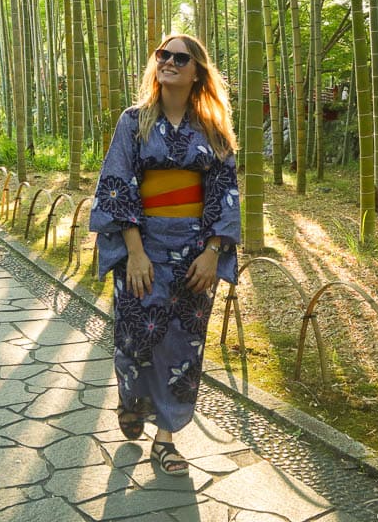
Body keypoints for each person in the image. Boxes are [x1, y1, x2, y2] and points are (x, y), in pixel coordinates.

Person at [90, 33, 240, 478]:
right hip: (144, 246)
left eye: (180, 57)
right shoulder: (133, 122)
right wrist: (133, 253)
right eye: (163, 55)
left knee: (183, 348)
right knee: (135, 337)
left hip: (195, 254)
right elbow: (116, 185)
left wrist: (214, 252)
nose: (169, 62)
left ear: (197, 72)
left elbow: (225, 192)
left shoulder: (212, 129)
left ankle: (167, 440)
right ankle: (132, 399)